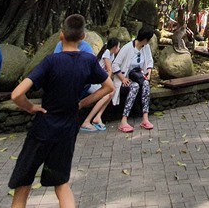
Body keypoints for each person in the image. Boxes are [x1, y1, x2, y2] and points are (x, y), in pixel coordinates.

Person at [8, 14, 112, 208]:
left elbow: (16, 95)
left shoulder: (50, 61)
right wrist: (82, 103)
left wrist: (30, 108)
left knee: (23, 184)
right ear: (83, 38)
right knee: (61, 184)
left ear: (61, 36)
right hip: (67, 130)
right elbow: (108, 87)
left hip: (43, 128)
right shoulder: (88, 61)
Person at [112, 28, 155, 133]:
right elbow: (115, 65)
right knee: (134, 86)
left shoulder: (146, 47)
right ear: (145, 39)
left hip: (139, 77)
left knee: (145, 84)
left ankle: (145, 118)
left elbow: (149, 61)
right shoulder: (127, 48)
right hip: (125, 80)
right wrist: (123, 78)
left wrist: (148, 72)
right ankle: (124, 120)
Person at [80, 37, 120, 132]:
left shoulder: (111, 55)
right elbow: (109, 71)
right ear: (114, 47)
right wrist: (109, 84)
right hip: (94, 83)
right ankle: (87, 120)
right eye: (119, 46)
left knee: (111, 92)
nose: (119, 48)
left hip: (100, 82)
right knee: (109, 93)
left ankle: (97, 117)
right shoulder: (106, 54)